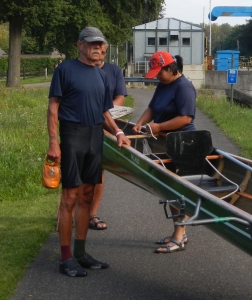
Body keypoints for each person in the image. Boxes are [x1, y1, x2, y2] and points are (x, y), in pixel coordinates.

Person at [47, 27, 131, 277]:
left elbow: (105, 112)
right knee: (70, 197)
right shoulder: (65, 70)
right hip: (73, 136)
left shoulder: (102, 75)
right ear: (80, 45)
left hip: (95, 137)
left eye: (100, 43)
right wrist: (53, 142)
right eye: (92, 43)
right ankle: (65, 257)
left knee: (86, 195)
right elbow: (53, 108)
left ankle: (81, 253)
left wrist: (117, 132)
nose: (97, 47)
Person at [132, 51, 196, 253]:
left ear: (170, 69)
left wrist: (159, 127)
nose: (157, 77)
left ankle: (179, 235)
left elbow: (186, 118)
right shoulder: (164, 84)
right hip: (164, 142)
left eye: (159, 73)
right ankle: (178, 232)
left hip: (181, 144)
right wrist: (141, 122)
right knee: (167, 187)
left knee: (175, 189)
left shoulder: (184, 87)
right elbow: (152, 107)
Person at [88, 44, 127, 230]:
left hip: (105, 126)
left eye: (103, 52)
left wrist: (107, 114)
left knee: (99, 170)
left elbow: (120, 97)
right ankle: (68, 213)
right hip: (82, 127)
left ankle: (91, 214)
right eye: (97, 51)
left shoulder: (114, 71)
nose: (100, 55)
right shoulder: (77, 70)